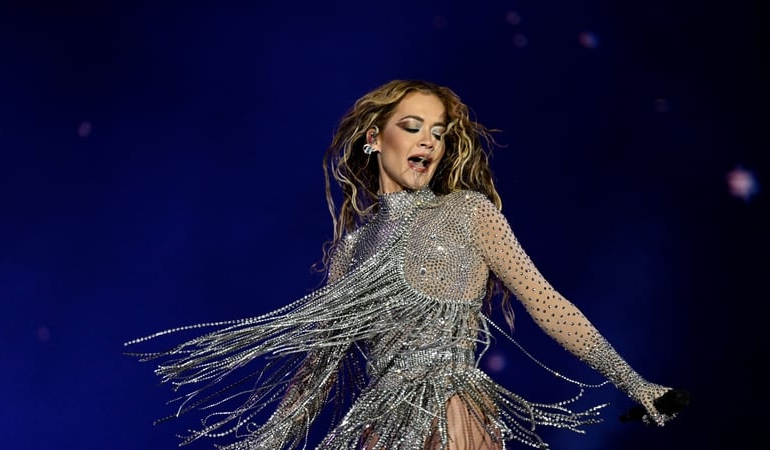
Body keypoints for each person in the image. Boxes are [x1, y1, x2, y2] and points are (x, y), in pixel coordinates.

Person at [125, 79, 687, 450]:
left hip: (452, 414)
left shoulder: (468, 213)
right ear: (375, 139)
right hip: (377, 427)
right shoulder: (352, 251)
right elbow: (318, 372)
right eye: (413, 126)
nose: (429, 141)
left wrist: (636, 384)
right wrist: (267, 442)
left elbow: (546, 302)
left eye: (439, 132)